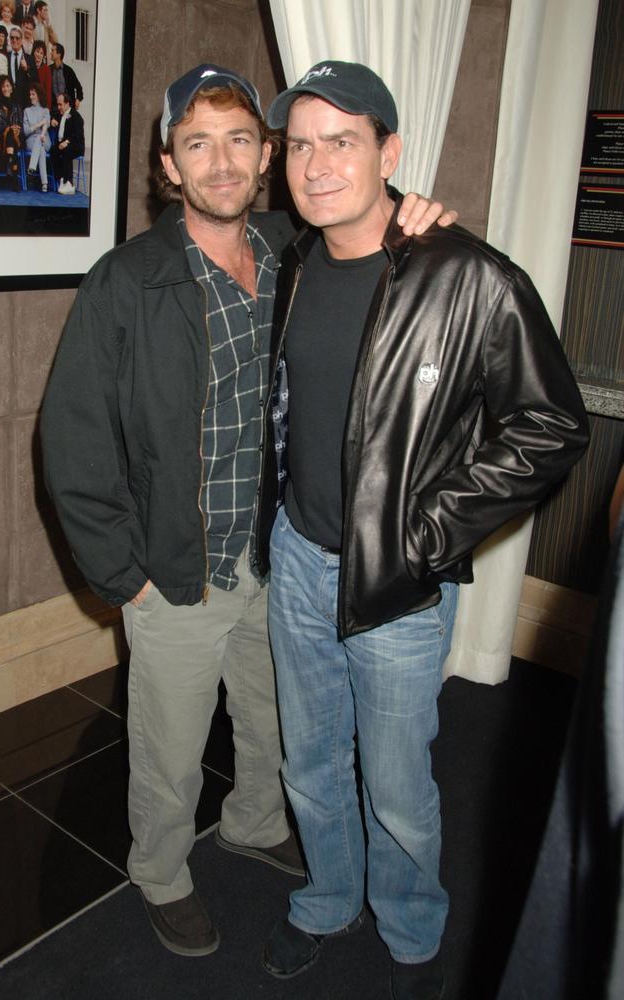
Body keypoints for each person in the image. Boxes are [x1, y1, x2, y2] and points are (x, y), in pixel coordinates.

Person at [40, 62, 455, 961]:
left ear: (266, 155)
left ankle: (254, 820)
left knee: (272, 726)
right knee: (170, 747)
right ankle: (161, 872)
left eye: (239, 141)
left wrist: (422, 211)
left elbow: (376, 227)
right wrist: (126, 580)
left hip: (274, 558)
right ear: (168, 164)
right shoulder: (129, 280)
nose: (221, 163)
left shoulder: (292, 251)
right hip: (174, 571)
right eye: (198, 145)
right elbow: (70, 443)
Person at [255, 61, 590, 1000]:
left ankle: (409, 931)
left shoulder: (468, 276)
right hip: (298, 553)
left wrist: (431, 530)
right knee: (312, 758)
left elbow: (555, 424)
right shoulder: (293, 257)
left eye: (344, 142)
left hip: (399, 580)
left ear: (390, 153)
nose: (318, 165)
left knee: (398, 783)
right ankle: (327, 899)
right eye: (302, 145)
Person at [0, 70, 21, 187]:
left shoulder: (17, 107)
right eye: (3, 86)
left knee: (12, 134)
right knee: (9, 133)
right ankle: (13, 170)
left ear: (12, 88)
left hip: (15, 137)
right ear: (0, 89)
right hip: (0, 137)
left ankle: (9, 160)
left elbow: (20, 124)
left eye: (8, 86)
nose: (5, 88)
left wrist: (18, 129)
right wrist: (9, 128)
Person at [49, 89, 82, 193]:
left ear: (67, 104)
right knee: (53, 150)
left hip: (75, 144)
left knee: (67, 151)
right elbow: (50, 113)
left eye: (60, 105)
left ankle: (69, 182)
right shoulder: (59, 113)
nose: (58, 107)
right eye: (57, 105)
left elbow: (77, 135)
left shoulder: (76, 116)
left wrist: (66, 142)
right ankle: (61, 178)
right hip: (62, 144)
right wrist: (52, 120)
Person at [23, 78, 48, 189]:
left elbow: (46, 125)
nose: (31, 96)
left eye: (33, 94)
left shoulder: (45, 110)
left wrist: (42, 134)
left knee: (40, 141)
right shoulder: (26, 111)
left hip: (44, 139)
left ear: (38, 95)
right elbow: (26, 131)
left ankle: (31, 168)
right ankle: (45, 183)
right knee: (40, 149)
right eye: (30, 94)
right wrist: (38, 125)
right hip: (31, 141)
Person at [6, 22, 36, 107]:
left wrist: (27, 69)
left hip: (25, 102)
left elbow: (35, 81)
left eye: (17, 38)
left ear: (22, 40)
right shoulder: (6, 57)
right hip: (9, 102)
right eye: (12, 38)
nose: (14, 40)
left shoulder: (30, 59)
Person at [50, 42, 81, 111]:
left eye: (52, 51)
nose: (50, 53)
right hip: (54, 108)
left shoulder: (68, 70)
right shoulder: (49, 70)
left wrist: (78, 99)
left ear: (59, 54)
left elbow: (79, 87)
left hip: (67, 107)